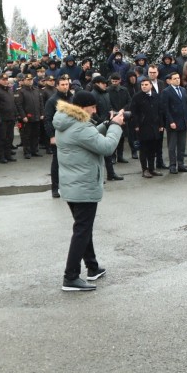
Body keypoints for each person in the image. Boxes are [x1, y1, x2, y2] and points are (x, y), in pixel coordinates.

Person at [52, 89, 124, 291]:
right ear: (82, 107)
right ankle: (71, 277)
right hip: (83, 185)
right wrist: (116, 126)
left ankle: (92, 267)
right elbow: (107, 147)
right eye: (92, 107)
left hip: (72, 185)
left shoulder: (66, 121)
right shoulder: (80, 127)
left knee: (83, 227)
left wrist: (106, 125)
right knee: (82, 230)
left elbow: (89, 137)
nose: (94, 111)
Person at [127, 76, 162, 178]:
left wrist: (161, 124)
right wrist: (137, 125)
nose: (144, 86)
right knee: (144, 149)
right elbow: (134, 112)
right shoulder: (137, 97)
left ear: (151, 85)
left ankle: (152, 168)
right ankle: (145, 169)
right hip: (143, 126)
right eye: (142, 85)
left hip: (154, 126)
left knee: (153, 149)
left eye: (146, 85)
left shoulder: (156, 96)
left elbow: (160, 111)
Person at [160, 72, 187, 173]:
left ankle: (181, 164)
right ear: (170, 80)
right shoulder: (166, 91)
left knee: (182, 145)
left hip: (182, 122)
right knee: (172, 146)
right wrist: (170, 121)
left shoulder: (183, 90)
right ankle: (172, 165)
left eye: (178, 78)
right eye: (175, 79)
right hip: (173, 122)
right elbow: (165, 108)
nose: (177, 80)